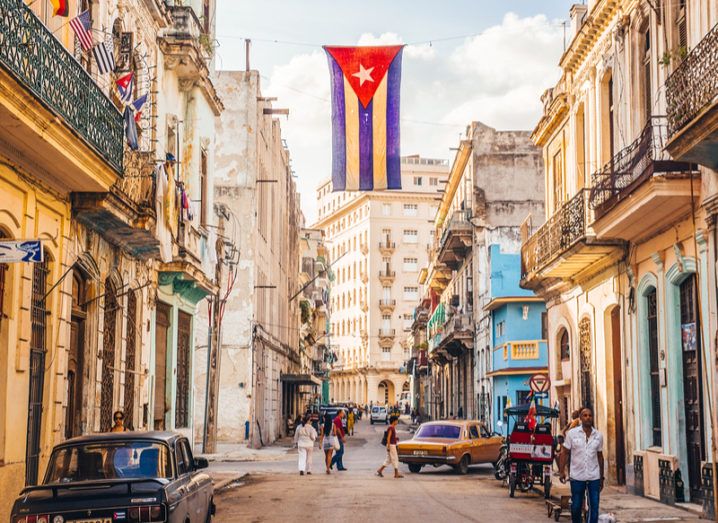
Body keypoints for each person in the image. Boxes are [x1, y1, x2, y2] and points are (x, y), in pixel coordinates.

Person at [558, 407, 605, 523]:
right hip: (577, 477)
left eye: (590, 415)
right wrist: (561, 471)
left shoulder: (598, 436)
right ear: (580, 418)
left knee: (594, 506)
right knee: (576, 506)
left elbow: (600, 456)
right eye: (585, 415)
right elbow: (565, 453)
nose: (588, 417)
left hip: (594, 477)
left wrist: (601, 477)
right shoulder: (572, 434)